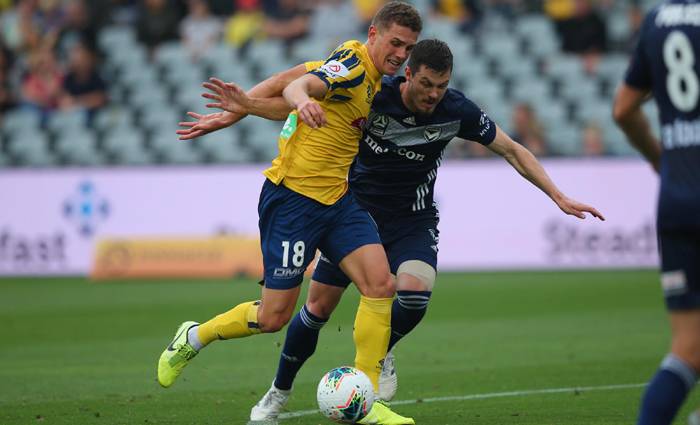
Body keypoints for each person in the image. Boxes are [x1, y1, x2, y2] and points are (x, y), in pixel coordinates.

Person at [185, 39, 604, 422]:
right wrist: (237, 112)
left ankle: (379, 357)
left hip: (412, 220)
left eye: (441, 85)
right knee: (315, 311)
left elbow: (512, 149)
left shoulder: (457, 111)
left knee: (415, 293)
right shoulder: (372, 96)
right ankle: (277, 394)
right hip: (355, 211)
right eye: (426, 83)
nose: (433, 93)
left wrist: (559, 197)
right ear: (408, 75)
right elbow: (294, 90)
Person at [157, 3, 422, 424]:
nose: (401, 54)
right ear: (374, 34)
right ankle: (193, 336)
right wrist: (300, 101)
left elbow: (288, 78)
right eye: (395, 43)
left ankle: (369, 402)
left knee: (380, 283)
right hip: (293, 202)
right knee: (273, 316)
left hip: (337, 200)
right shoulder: (353, 64)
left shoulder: (361, 69)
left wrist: (238, 110)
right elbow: (299, 86)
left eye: (408, 48)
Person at [612, 1, 700, 424]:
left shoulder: (656, 22)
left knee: (687, 348)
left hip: (677, 197)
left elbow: (623, 110)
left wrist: (659, 159)